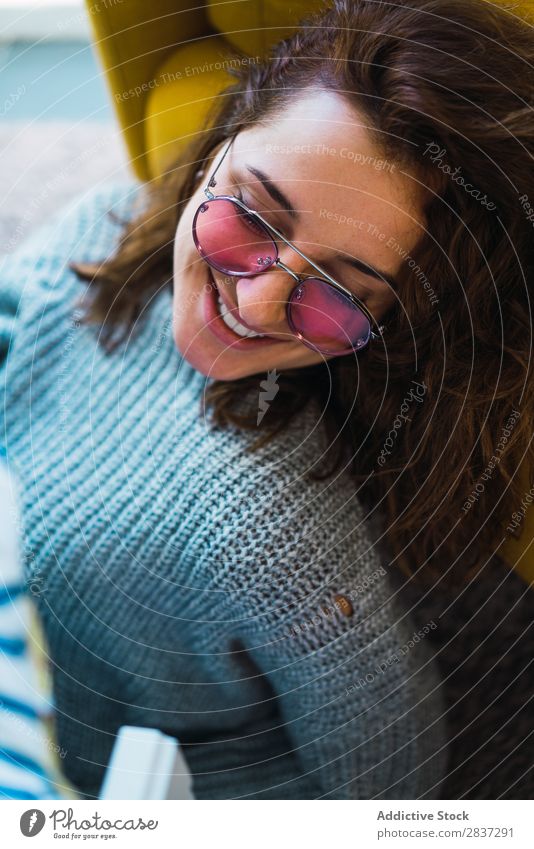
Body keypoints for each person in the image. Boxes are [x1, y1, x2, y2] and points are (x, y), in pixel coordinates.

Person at [1, 0, 532, 799]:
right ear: (218, 144)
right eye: (250, 213)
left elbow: (388, 783)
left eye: (338, 292)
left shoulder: (275, 537)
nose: (254, 307)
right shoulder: (94, 228)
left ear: (393, 321)